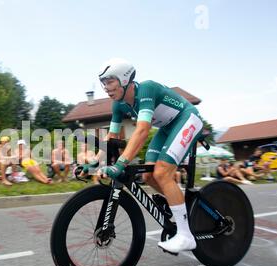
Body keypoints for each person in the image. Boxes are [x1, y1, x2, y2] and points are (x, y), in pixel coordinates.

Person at [82, 57, 205, 253]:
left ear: (124, 79)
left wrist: (120, 163)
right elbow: (112, 138)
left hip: (187, 119)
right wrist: (94, 163)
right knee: (148, 175)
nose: (105, 87)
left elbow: (142, 130)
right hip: (167, 128)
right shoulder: (118, 105)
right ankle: (182, 205)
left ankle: (185, 235)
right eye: (103, 82)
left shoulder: (146, 89)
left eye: (110, 81)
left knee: (163, 172)